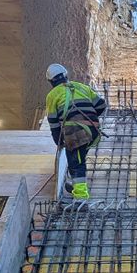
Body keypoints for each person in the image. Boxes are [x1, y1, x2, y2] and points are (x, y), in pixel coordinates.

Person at [45, 64, 106, 201]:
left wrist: (59, 141)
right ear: (66, 76)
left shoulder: (52, 95)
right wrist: (89, 118)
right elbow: (102, 105)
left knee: (76, 163)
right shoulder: (82, 87)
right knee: (78, 156)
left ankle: (81, 197)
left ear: (51, 81)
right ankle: (76, 186)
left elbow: (54, 122)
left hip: (75, 133)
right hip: (92, 130)